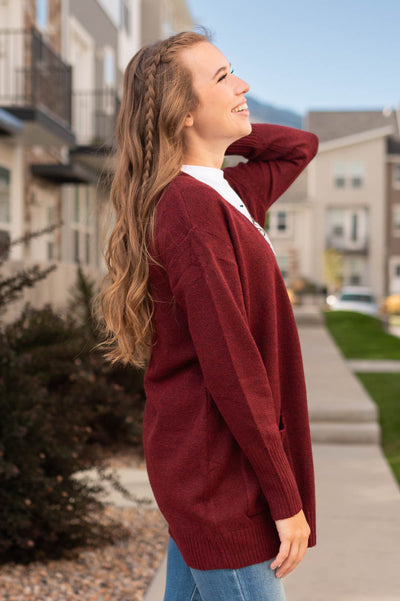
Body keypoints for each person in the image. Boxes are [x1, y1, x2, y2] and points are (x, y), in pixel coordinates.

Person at [100, 30, 319, 601]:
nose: (243, 85)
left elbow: (300, 145)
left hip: (207, 474)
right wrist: (285, 499)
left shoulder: (224, 193)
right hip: (223, 485)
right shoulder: (193, 211)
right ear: (182, 110)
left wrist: (219, 125)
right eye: (223, 78)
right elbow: (234, 367)